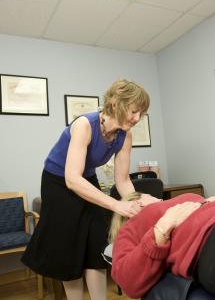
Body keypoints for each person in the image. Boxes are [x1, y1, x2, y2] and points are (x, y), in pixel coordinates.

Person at [21, 79, 150, 300]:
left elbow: (123, 179)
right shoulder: (84, 124)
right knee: (67, 246)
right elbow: (72, 179)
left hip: (86, 178)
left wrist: (135, 201)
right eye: (134, 111)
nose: (137, 118)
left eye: (141, 114)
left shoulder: (125, 136)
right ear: (115, 103)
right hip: (58, 181)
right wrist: (117, 204)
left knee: (96, 244)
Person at [110, 192, 215, 299]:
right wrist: (164, 225)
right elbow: (127, 281)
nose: (160, 199)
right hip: (206, 238)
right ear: (139, 202)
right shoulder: (132, 226)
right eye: (150, 195)